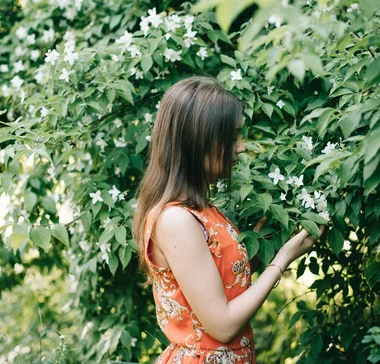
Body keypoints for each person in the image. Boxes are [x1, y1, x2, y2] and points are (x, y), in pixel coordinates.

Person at [132, 76, 325, 363]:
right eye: (232, 136)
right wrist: (283, 259)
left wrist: (265, 248)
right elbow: (222, 325)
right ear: (198, 141)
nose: (242, 146)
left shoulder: (202, 211)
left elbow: (223, 287)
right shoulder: (176, 220)